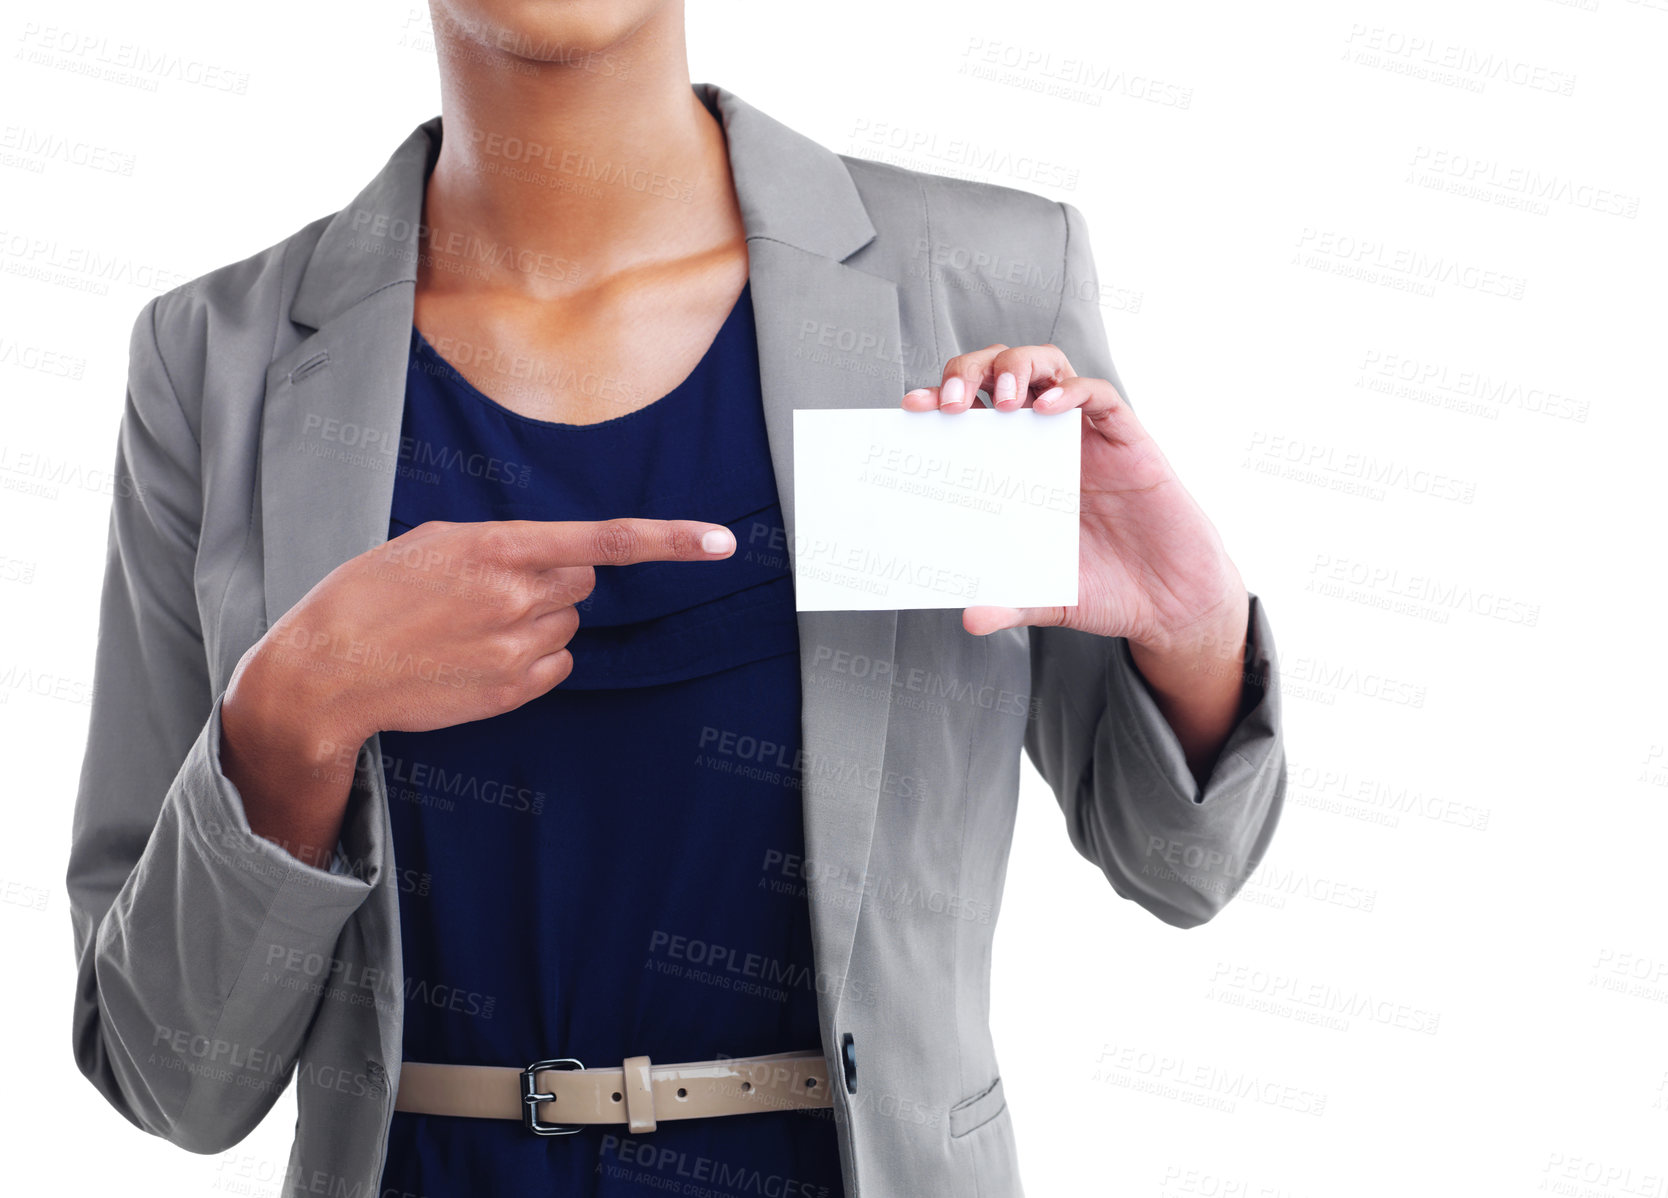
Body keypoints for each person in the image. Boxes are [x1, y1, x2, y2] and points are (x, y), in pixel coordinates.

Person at [66, 2, 1287, 1195]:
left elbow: (1184, 865)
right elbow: (169, 1074)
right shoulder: (212, 362)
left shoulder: (979, 284)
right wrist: (291, 713)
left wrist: (1192, 636)